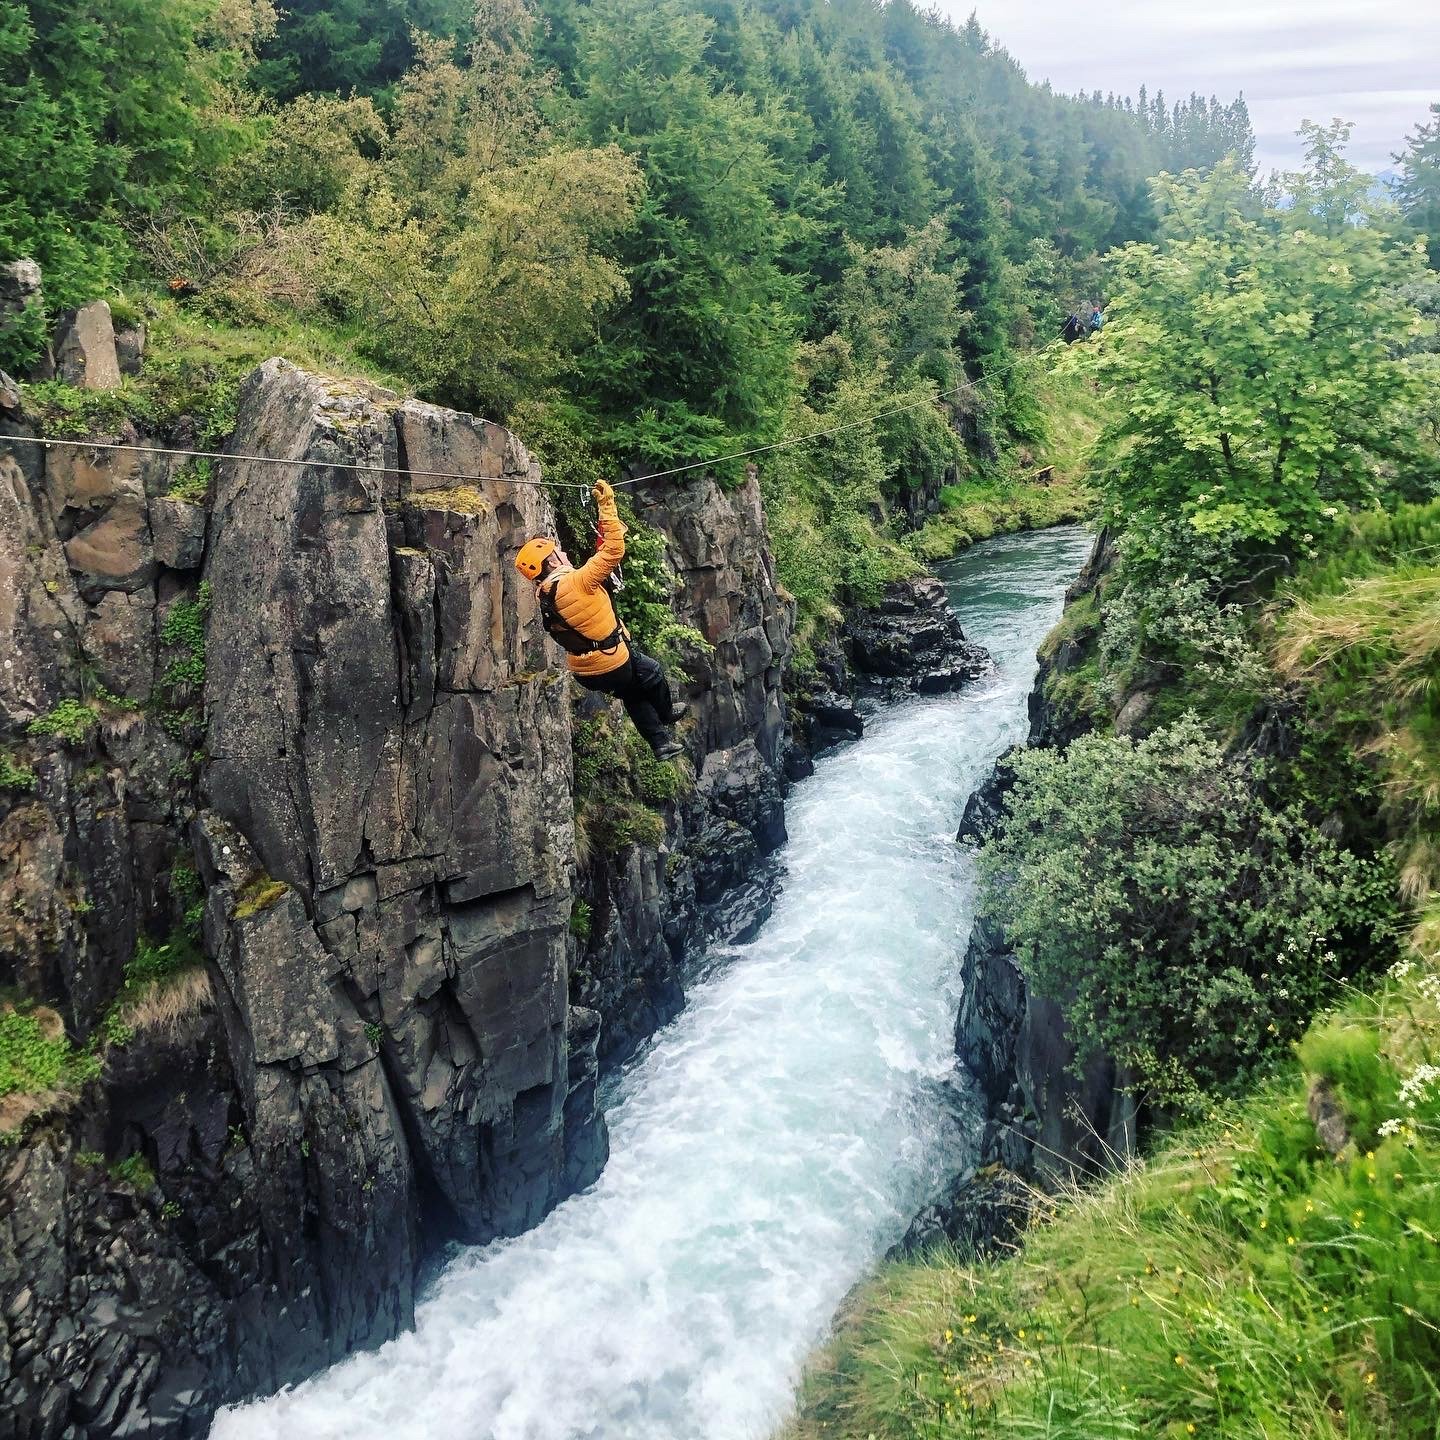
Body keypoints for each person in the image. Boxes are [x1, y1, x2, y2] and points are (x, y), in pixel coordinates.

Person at [515, 479, 688, 760]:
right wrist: (606, 504)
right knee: (652, 672)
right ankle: (666, 714)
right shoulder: (576, 582)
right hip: (611, 660)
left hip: (587, 673)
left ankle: (660, 744)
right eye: (559, 552)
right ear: (552, 562)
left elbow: (588, 581)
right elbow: (613, 551)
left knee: (634, 693)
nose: (566, 552)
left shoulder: (544, 593)